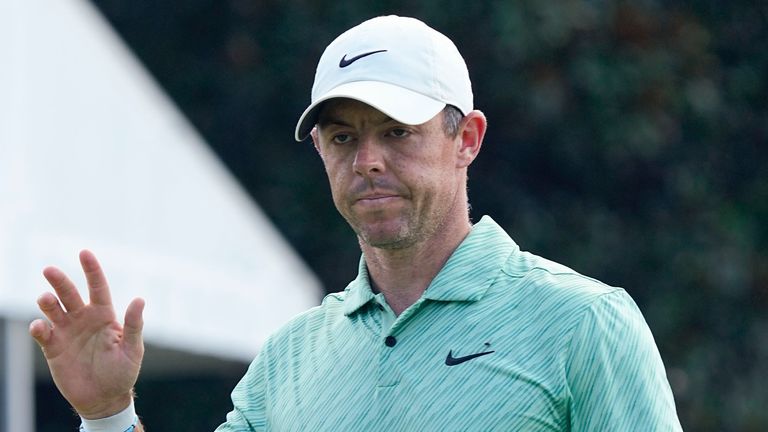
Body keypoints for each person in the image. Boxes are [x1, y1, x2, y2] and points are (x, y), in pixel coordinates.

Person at [30, 15, 683, 431]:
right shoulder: (290, 357)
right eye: (342, 138)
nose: (368, 161)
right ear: (320, 152)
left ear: (469, 139)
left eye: (398, 132)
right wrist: (110, 416)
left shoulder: (585, 324)